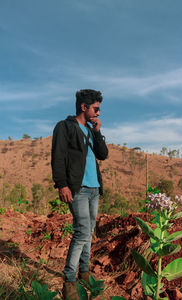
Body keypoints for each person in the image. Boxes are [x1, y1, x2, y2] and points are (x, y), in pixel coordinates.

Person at [51, 89, 108, 299]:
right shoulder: (65, 127)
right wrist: (62, 185)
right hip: (77, 189)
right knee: (82, 232)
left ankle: (84, 271)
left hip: (94, 189)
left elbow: (103, 155)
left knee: (89, 231)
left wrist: (98, 131)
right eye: (96, 109)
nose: (98, 113)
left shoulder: (91, 130)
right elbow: (57, 156)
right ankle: (69, 281)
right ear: (84, 107)